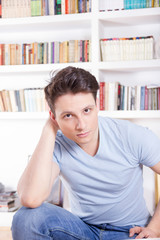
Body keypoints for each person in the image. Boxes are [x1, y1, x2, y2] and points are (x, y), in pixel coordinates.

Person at [12, 66, 160, 240]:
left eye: (87, 111)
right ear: (54, 117)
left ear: (97, 107)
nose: (81, 125)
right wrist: (49, 129)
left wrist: (155, 228)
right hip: (82, 230)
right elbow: (31, 198)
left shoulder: (132, 135)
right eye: (68, 115)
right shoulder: (56, 143)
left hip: (129, 232)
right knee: (27, 218)